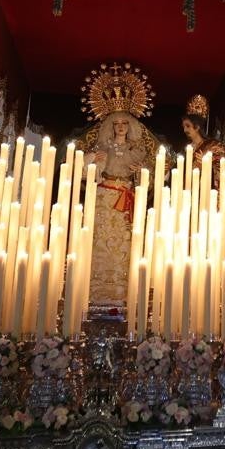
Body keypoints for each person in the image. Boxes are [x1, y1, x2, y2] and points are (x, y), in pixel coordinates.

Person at [84, 110, 150, 307]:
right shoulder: (102, 147)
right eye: (116, 123)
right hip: (104, 198)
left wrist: (141, 172)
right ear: (111, 127)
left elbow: (149, 178)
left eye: (124, 123)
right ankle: (97, 290)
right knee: (101, 240)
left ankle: (123, 291)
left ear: (130, 127)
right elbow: (83, 170)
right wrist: (92, 160)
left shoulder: (137, 150)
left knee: (125, 242)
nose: (120, 127)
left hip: (126, 196)